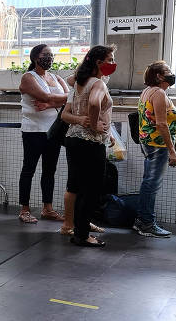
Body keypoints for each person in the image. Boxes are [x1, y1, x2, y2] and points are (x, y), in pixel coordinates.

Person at [61, 45, 116, 247]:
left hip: (74, 140)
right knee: (91, 190)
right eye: (109, 59)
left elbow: (65, 114)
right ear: (98, 62)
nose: (112, 63)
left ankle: (78, 228)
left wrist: (92, 125)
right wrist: (94, 125)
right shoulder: (98, 84)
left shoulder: (79, 84)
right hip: (90, 143)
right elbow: (94, 104)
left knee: (79, 187)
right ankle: (83, 234)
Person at [17, 44, 69, 223]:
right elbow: (45, 96)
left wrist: (49, 105)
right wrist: (52, 101)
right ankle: (24, 209)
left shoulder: (56, 77)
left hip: (53, 131)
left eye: (51, 55)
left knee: (49, 171)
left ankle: (48, 208)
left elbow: (70, 99)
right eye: (46, 54)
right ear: (35, 57)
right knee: (29, 169)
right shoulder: (28, 77)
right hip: (33, 130)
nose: (50, 58)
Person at [134, 61, 176, 237]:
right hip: (157, 145)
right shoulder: (159, 93)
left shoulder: (147, 91)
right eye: (167, 71)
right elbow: (161, 123)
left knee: (148, 182)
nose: (171, 74)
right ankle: (146, 223)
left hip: (149, 143)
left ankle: (142, 221)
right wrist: (172, 150)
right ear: (159, 76)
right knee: (151, 184)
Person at [58, 74, 105, 236]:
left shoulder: (87, 87)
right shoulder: (87, 86)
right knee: (78, 185)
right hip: (83, 140)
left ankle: (80, 222)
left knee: (81, 186)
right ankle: (71, 225)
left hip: (84, 139)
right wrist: (86, 122)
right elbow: (66, 115)